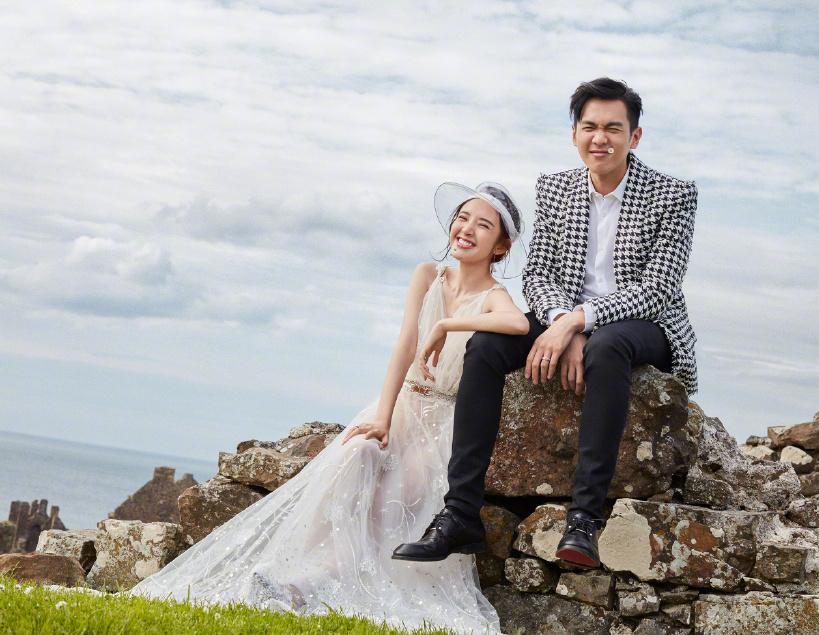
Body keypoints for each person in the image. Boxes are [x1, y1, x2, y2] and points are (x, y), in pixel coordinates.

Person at [128, 182, 529, 634]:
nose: (467, 229)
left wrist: (449, 324)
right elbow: (404, 346)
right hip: (400, 405)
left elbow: (517, 322)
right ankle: (298, 571)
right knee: (354, 456)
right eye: (463, 217)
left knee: (388, 507)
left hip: (441, 421)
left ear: (500, 246)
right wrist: (382, 416)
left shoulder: (494, 295)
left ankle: (305, 585)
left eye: (483, 225)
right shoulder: (428, 275)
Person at [394, 77, 698, 570]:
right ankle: (461, 513)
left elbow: (659, 287)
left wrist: (579, 322)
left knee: (607, 347)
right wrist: (562, 321)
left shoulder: (674, 195)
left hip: (643, 323)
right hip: (563, 314)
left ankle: (584, 520)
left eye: (613, 128)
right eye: (589, 127)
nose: (600, 138)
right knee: (486, 345)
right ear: (574, 133)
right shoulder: (555, 188)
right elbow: (538, 273)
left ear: (634, 137)